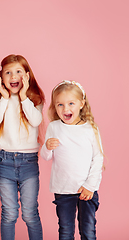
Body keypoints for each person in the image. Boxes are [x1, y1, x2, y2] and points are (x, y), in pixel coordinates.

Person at [0, 55, 45, 240]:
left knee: (30, 213)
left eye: (18, 72)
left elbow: (36, 120)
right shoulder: (0, 100)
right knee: (9, 213)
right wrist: (5, 99)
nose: (13, 76)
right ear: (1, 78)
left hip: (28, 163)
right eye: (8, 73)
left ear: (27, 76)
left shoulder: (34, 99)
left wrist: (23, 97)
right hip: (5, 161)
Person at [41, 80, 104, 240]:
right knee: (65, 231)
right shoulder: (54, 127)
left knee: (88, 232)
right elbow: (46, 156)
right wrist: (47, 146)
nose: (65, 109)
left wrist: (90, 186)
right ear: (54, 107)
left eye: (71, 103)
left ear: (81, 103)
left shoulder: (90, 128)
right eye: (60, 104)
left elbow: (98, 158)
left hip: (86, 190)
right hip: (63, 189)